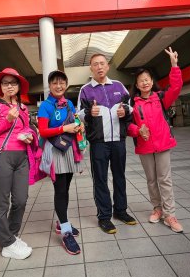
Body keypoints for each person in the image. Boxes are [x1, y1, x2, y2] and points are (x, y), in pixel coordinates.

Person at [77, 54, 136, 234]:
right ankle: (104, 217)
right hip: (99, 143)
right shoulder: (85, 90)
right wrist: (89, 112)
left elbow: (131, 108)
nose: (99, 67)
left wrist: (124, 110)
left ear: (107, 66)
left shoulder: (119, 86)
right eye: (95, 64)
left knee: (120, 176)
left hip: (118, 140)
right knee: (100, 180)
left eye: (102, 64)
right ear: (91, 68)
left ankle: (121, 211)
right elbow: (78, 114)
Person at [127, 47, 183, 233]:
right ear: (136, 83)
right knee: (151, 180)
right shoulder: (133, 104)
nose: (145, 82)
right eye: (141, 80)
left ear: (152, 81)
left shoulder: (161, 98)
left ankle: (170, 215)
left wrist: (174, 65)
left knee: (164, 179)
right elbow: (127, 125)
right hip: (145, 147)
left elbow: (175, 87)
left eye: (147, 79)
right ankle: (157, 209)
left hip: (163, 145)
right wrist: (137, 130)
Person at [0, 68, 36, 259]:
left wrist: (29, 136)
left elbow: (26, 129)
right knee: (1, 203)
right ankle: (6, 244)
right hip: (1, 156)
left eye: (13, 83)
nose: (10, 86)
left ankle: (11, 236)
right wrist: (7, 120)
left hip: (21, 157)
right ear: (1, 87)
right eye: (5, 83)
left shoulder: (23, 108)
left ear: (19, 86)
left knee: (21, 200)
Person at [37, 70, 83, 255]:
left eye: (62, 83)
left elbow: (74, 121)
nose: (59, 86)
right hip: (55, 152)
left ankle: (61, 221)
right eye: (55, 83)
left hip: (69, 150)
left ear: (66, 85)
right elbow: (43, 131)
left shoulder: (69, 103)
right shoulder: (45, 106)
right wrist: (65, 127)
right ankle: (65, 231)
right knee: (60, 190)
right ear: (50, 85)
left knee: (66, 188)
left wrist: (78, 126)